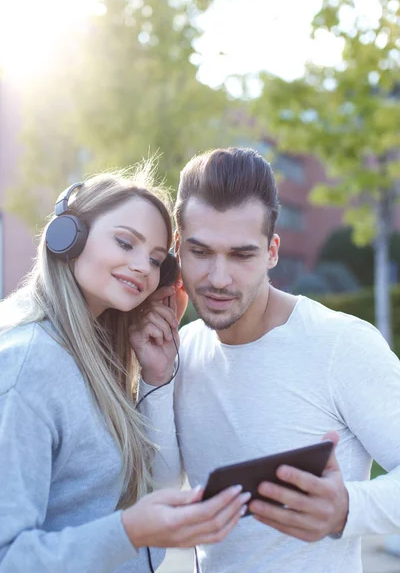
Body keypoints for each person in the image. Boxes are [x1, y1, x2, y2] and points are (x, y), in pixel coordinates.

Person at [130, 147, 400, 573]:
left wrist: (349, 507)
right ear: (177, 248)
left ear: (272, 251)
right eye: (201, 252)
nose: (218, 278)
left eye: (241, 255)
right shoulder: (180, 350)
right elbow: (162, 487)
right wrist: (156, 379)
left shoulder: (340, 345)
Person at [0, 165, 250, 573]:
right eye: (124, 242)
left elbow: (148, 489)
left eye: (156, 261)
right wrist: (130, 531)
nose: (142, 268)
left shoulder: (96, 359)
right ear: (69, 238)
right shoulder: (28, 365)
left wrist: (155, 375)